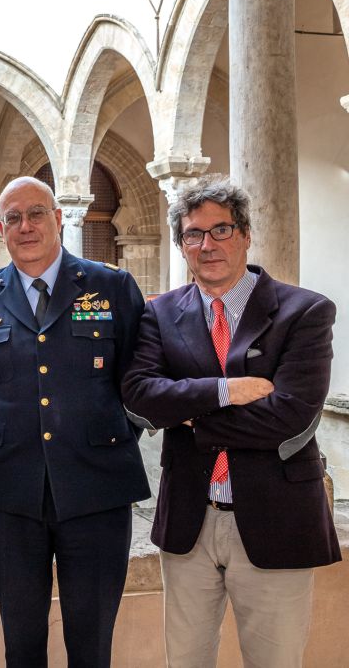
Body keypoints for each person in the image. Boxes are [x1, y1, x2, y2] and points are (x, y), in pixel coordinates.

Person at [121, 175, 339, 668]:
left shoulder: (304, 311)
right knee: (186, 661)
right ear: (181, 245)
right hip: (189, 522)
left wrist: (190, 420)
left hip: (277, 517)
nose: (208, 245)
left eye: (220, 230)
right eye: (193, 234)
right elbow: (140, 397)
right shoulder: (159, 315)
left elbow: (290, 416)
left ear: (245, 234)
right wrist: (227, 391)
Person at [0, 176, 150, 667]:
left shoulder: (111, 286)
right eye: (14, 218)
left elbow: (138, 379)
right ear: (1, 229)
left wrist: (105, 435)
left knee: (92, 642)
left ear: (60, 218)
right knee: (21, 642)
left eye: (36, 213)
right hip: (13, 494)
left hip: (98, 489)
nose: (26, 226)